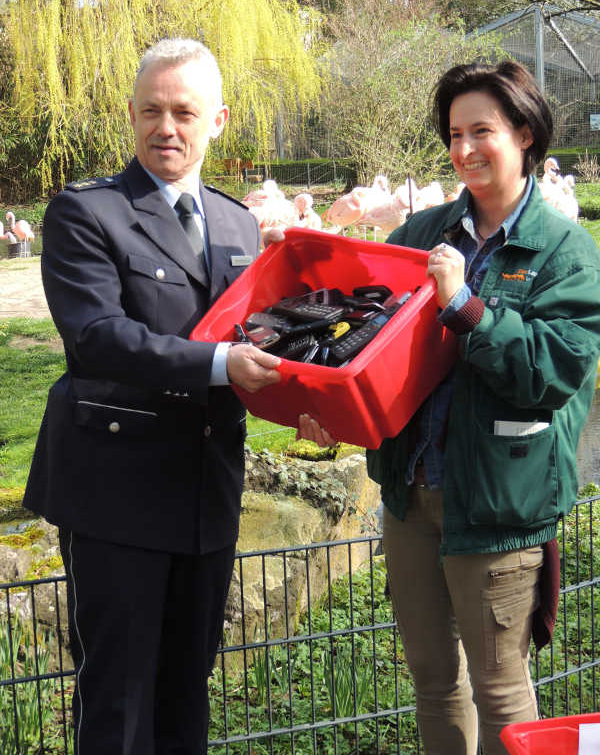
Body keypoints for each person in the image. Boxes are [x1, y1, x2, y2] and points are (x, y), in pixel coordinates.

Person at [299, 61, 600, 754]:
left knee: (500, 690)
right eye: (454, 133)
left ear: (523, 134)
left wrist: (467, 307)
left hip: (498, 506)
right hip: (410, 497)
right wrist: (332, 408)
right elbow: (370, 350)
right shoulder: (420, 231)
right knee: (432, 682)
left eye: (483, 131)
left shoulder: (563, 253)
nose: (464, 149)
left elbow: (550, 375)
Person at [23, 38, 283, 755]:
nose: (165, 127)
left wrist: (308, 400)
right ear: (131, 115)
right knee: (120, 703)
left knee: (186, 692)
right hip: (117, 494)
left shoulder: (237, 224)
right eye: (150, 111)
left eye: (184, 112)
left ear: (219, 120)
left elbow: (261, 337)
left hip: (207, 492)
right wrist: (226, 363)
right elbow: (99, 337)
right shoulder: (86, 214)